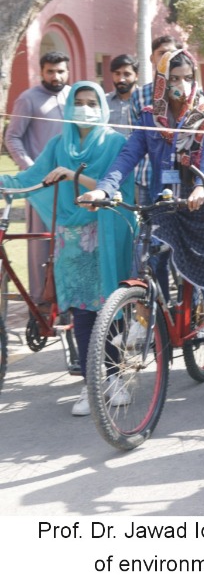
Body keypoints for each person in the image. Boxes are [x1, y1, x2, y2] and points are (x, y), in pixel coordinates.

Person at [81, 50, 204, 404]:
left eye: (187, 78)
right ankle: (140, 325)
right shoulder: (150, 116)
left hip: (202, 205)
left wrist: (202, 185)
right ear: (162, 81)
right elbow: (128, 155)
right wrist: (104, 188)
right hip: (163, 205)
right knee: (144, 264)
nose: (180, 85)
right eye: (174, 78)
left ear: (194, 80)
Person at [2, 83, 136, 416]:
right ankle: (92, 384)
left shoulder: (114, 142)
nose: (86, 109)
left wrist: (78, 179)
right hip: (70, 238)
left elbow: (118, 185)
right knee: (81, 311)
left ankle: (116, 377)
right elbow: (31, 178)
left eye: (93, 103)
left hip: (104, 231)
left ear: (102, 108)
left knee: (110, 307)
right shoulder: (58, 144)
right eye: (80, 102)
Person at [5, 51, 70, 310]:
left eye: (61, 71)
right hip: (40, 186)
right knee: (40, 245)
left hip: (70, 185)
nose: (56, 76)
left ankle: (67, 304)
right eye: (50, 71)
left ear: (68, 71)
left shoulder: (74, 98)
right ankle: (39, 306)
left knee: (69, 242)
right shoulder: (28, 99)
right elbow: (12, 137)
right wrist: (33, 170)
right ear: (41, 72)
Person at [105, 54, 139, 137]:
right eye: (117, 74)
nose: (121, 79)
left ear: (136, 76)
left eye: (127, 74)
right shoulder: (104, 101)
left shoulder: (145, 101)